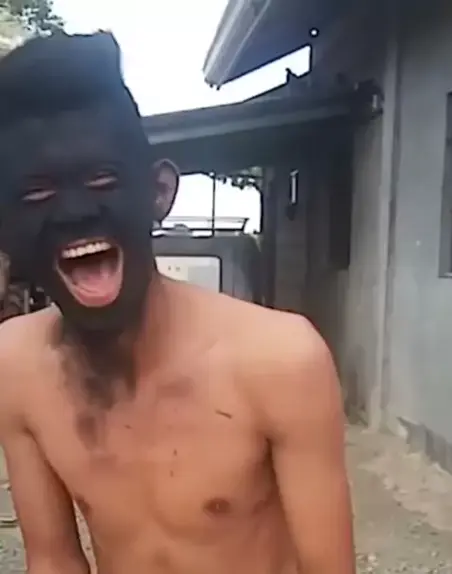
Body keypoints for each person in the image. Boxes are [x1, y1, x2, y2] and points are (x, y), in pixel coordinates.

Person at [0, 32, 355, 574]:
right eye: (37, 195)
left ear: (159, 193)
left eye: (102, 181)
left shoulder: (280, 359)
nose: (73, 213)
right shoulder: (15, 364)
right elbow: (52, 559)